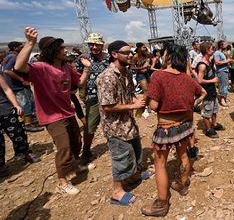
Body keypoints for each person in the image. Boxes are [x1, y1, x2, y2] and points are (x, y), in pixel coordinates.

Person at [14, 27, 94, 195]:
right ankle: (62, 182)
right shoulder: (41, 67)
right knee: (64, 147)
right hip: (52, 117)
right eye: (62, 48)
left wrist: (87, 69)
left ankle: (75, 164)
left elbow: (79, 83)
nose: (66, 50)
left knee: (76, 141)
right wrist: (30, 43)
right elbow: (19, 66)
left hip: (67, 112)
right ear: (53, 51)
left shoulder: (65, 67)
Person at [142, 43, 206, 217]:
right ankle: (182, 185)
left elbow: (154, 106)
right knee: (183, 155)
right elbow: (203, 93)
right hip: (185, 126)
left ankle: (162, 204)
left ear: (168, 56)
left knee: (160, 163)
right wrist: (192, 105)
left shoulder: (158, 76)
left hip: (165, 128)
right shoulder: (187, 78)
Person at [96, 40, 153, 206]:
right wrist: (133, 105)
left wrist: (139, 101)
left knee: (135, 150)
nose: (131, 55)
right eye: (126, 53)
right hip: (115, 126)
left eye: (131, 52)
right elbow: (107, 106)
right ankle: (117, 192)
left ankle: (134, 176)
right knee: (121, 157)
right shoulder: (106, 77)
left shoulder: (127, 73)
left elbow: (128, 95)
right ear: (114, 54)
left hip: (128, 122)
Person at [76, 33, 110, 165]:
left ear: (102, 45)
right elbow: (79, 79)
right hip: (93, 97)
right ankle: (86, 151)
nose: (94, 47)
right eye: (92, 44)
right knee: (90, 126)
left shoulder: (109, 58)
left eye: (97, 44)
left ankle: (116, 146)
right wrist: (83, 95)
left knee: (112, 122)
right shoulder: (83, 59)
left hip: (110, 96)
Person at [0, 74, 40, 178]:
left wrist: (16, 104)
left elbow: (7, 89)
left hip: (5, 109)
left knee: (18, 133)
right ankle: (1, 165)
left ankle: (26, 153)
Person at [2, 41, 44, 132]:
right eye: (21, 47)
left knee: (28, 102)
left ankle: (31, 122)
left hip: (15, 85)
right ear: (14, 48)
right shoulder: (13, 57)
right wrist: (22, 80)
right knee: (26, 104)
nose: (22, 48)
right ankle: (28, 124)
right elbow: (7, 71)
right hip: (16, 86)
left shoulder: (9, 56)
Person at [196, 42, 223, 138]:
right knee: (207, 111)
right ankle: (208, 129)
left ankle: (214, 124)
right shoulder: (202, 65)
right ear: (207, 50)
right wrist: (213, 80)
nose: (213, 49)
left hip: (212, 90)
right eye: (212, 48)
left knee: (214, 108)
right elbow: (199, 80)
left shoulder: (209, 61)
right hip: (207, 92)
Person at [214, 40, 233, 107]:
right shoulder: (217, 53)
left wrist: (229, 61)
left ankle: (223, 98)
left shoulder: (222, 53)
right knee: (223, 85)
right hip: (221, 71)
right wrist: (227, 61)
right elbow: (216, 62)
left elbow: (223, 61)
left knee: (225, 84)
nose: (226, 45)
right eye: (224, 44)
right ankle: (222, 100)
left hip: (225, 71)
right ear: (221, 45)